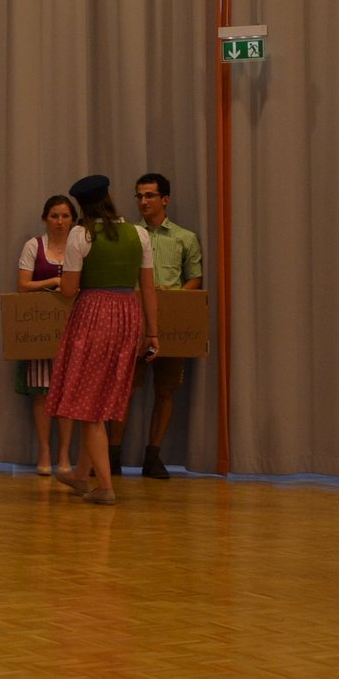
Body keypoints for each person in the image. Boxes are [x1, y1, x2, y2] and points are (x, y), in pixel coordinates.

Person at [48, 175, 157, 505]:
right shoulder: (139, 234)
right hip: (127, 316)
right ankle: (82, 477)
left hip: (94, 316)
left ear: (82, 205)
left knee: (89, 409)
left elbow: (69, 290)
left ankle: (105, 487)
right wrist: (152, 333)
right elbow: (148, 289)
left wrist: (60, 279)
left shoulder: (81, 235)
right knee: (99, 398)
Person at [127, 172, 203, 480]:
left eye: (150, 195)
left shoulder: (185, 238)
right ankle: (113, 455)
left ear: (165, 199)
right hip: (134, 320)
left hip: (171, 324)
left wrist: (172, 301)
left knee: (166, 390)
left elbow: (194, 278)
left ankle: (153, 456)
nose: (143, 201)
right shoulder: (130, 236)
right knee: (124, 389)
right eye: (139, 196)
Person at [16, 195, 78, 477]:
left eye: (65, 216)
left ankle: (65, 452)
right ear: (45, 218)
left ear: (73, 219)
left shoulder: (80, 245)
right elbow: (23, 285)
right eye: (54, 216)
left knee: (68, 393)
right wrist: (55, 281)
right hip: (40, 329)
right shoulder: (34, 246)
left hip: (74, 328)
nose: (60, 222)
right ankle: (44, 450)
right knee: (42, 393)